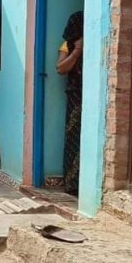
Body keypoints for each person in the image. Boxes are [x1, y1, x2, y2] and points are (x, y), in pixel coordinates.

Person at [56, 11, 83, 195]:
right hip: (76, 96)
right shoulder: (68, 45)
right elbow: (60, 68)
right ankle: (72, 182)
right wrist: (77, 51)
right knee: (74, 137)